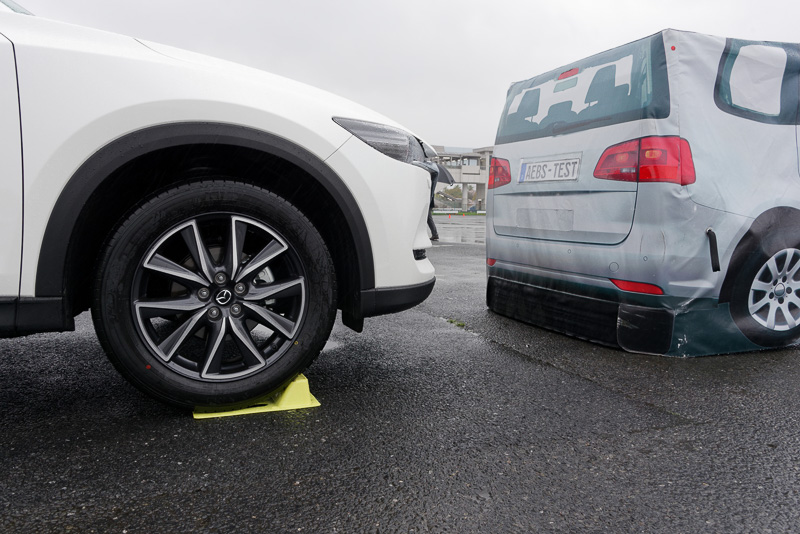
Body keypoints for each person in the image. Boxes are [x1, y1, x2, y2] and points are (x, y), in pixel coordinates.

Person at [427, 170, 439, 241]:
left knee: (428, 218)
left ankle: (435, 234)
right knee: (428, 218)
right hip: (429, 201)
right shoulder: (432, 181)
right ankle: (434, 234)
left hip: (428, 201)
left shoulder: (430, 180)